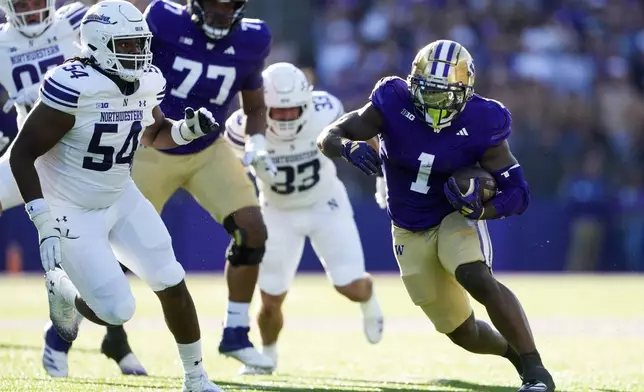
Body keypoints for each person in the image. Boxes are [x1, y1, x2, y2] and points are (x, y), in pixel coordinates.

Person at [317, 39, 556, 392]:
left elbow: (518, 193)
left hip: (451, 216)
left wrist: (483, 210)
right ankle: (513, 354)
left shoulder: (483, 119)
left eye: (443, 94)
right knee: (464, 333)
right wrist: (347, 148)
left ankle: (537, 373)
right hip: (407, 229)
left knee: (475, 276)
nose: (432, 102)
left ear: (464, 92)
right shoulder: (392, 100)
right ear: (413, 85)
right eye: (426, 91)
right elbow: (329, 134)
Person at [9, 2, 223, 390]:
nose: (138, 54)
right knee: (115, 311)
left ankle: (196, 376)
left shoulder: (145, 80)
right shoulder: (74, 84)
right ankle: (67, 297)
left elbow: (154, 133)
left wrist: (187, 131)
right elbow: (23, 153)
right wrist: (43, 219)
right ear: (97, 44)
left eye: (141, 44)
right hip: (71, 209)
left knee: (171, 279)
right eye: (127, 45)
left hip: (121, 196)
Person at [0, 0, 146, 377]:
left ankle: (111, 337)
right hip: (30, 153)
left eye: (37, 0)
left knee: (112, 241)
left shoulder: (81, 20)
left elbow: (130, 36)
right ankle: (111, 338)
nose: (31, 8)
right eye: (23, 2)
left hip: (85, 156)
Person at [128, 0, 275, 369]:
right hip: (152, 146)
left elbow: (255, 105)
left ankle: (236, 333)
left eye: (230, 6)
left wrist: (257, 142)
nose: (221, 12)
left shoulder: (253, 38)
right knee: (117, 244)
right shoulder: (162, 18)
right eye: (214, 4)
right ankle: (85, 334)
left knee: (252, 231)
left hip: (208, 147)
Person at [224, 62, 384, 375]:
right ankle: (267, 355)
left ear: (307, 103)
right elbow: (223, 168)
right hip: (277, 211)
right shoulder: (241, 125)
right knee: (270, 298)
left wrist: (381, 176)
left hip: (326, 204)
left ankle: (370, 299)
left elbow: (363, 132)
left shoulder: (326, 111)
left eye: (292, 110)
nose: (284, 118)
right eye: (276, 111)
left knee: (350, 286)